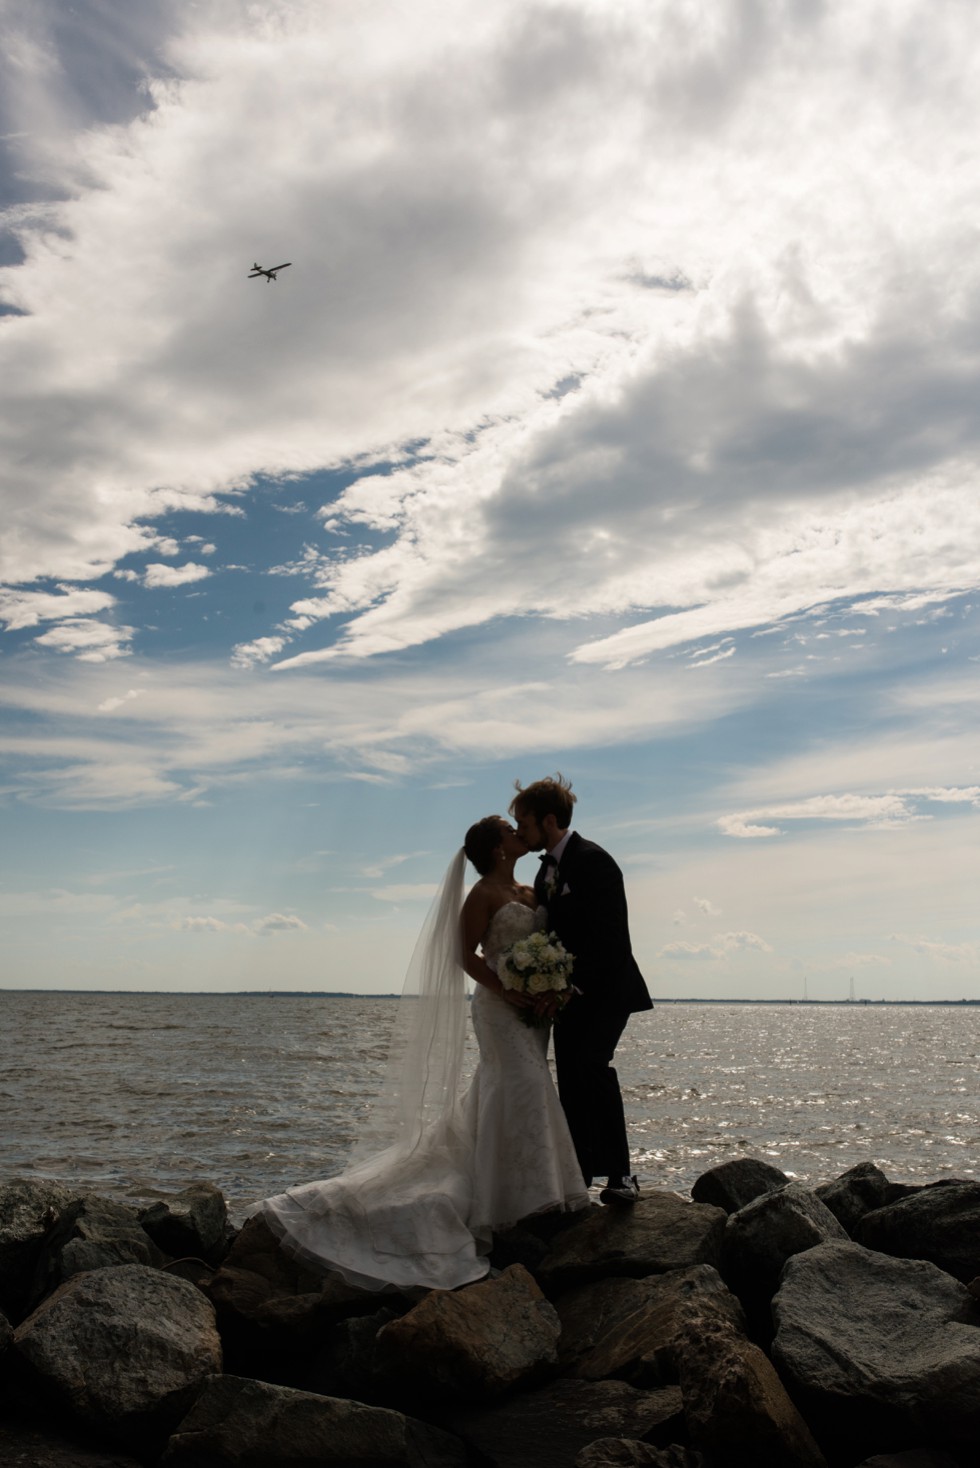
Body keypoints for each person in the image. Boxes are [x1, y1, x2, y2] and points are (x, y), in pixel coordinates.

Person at [251, 817, 588, 1293]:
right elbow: (463, 954)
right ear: (496, 848)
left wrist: (546, 982)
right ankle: (515, 1200)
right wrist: (508, 988)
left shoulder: (531, 889)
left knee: (519, 1086)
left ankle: (529, 1190)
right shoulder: (482, 895)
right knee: (523, 1083)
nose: (519, 834)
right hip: (499, 1007)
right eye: (510, 831)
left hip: (534, 1011)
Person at [510, 774, 652, 1205]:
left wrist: (571, 986)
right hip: (563, 995)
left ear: (549, 820)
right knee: (570, 1079)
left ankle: (622, 1176)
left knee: (593, 1067)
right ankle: (580, 1176)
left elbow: (611, 938)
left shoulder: (594, 861)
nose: (520, 832)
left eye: (525, 824)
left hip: (606, 989)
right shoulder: (544, 871)